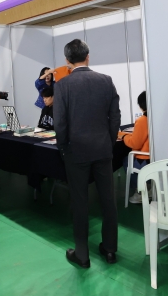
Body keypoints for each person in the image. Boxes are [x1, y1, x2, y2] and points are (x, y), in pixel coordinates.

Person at [54, 39, 120, 268]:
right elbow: (115, 116)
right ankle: (110, 250)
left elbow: (60, 123)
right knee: (108, 200)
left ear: (67, 60)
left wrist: (63, 148)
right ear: (88, 56)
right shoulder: (106, 80)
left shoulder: (63, 85)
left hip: (76, 151)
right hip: (103, 149)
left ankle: (82, 255)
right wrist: (108, 142)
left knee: (80, 201)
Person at [117, 91, 149, 204]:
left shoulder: (142, 120)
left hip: (144, 160)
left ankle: (140, 191)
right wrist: (126, 135)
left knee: (126, 159)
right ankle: (148, 187)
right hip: (156, 157)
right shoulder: (157, 117)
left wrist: (123, 136)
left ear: (141, 106)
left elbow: (135, 144)